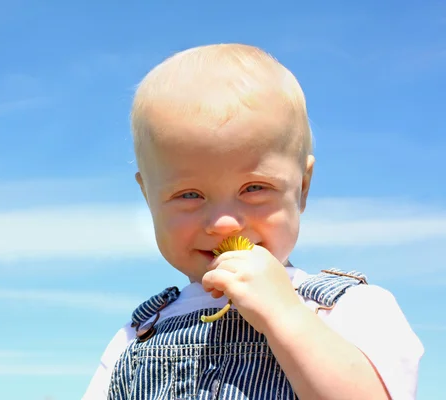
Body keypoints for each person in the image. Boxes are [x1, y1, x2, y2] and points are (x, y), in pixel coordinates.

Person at [83, 43, 424, 399]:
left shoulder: (346, 308)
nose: (224, 222)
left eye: (254, 188)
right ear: (148, 198)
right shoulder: (137, 335)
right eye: (189, 195)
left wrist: (285, 315)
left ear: (302, 188)